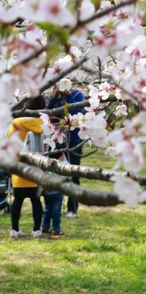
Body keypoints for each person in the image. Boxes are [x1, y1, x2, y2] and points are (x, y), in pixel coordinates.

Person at [5, 94, 46, 239]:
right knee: (36, 200)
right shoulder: (44, 123)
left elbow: (8, 140)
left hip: (19, 165)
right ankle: (37, 229)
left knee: (18, 199)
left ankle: (15, 229)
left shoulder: (16, 122)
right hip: (37, 166)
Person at [46, 78, 87, 217]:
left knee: (74, 174)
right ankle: (53, 206)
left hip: (74, 140)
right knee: (54, 172)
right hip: (57, 140)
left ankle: (72, 208)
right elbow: (48, 114)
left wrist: (68, 94)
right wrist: (54, 97)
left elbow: (77, 112)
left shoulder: (77, 95)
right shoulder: (56, 97)